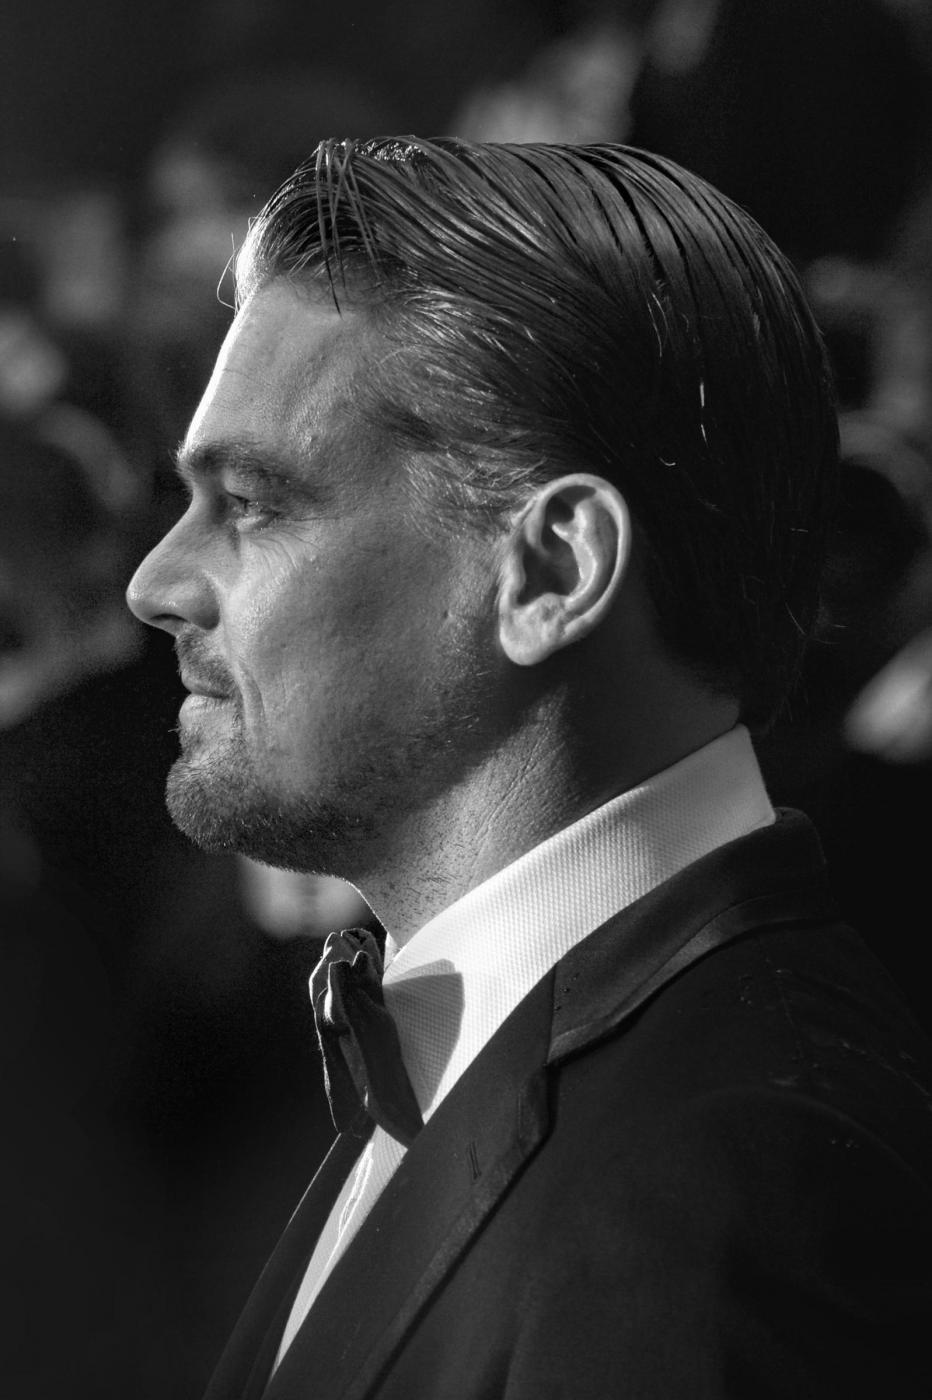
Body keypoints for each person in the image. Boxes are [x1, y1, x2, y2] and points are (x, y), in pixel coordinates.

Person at [125, 138, 932, 1399]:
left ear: (551, 569)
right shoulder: (512, 1056)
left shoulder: (730, 1190)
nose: (157, 581)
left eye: (254, 502)